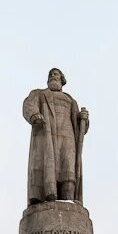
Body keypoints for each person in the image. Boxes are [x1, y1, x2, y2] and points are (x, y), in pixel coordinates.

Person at [22, 68, 89, 204]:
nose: (53, 76)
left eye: (56, 74)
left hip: (67, 136)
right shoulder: (39, 94)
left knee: (68, 168)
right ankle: (47, 195)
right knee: (47, 165)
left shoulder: (70, 100)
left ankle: (68, 199)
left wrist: (83, 119)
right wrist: (34, 114)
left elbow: (79, 127)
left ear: (62, 79)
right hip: (46, 134)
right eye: (50, 75)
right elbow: (28, 104)